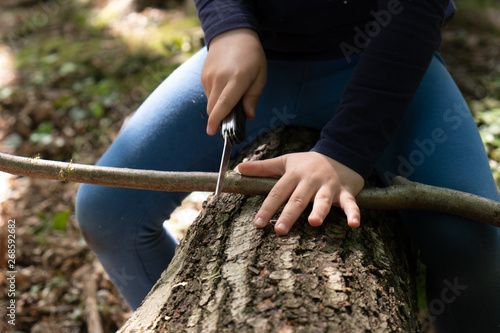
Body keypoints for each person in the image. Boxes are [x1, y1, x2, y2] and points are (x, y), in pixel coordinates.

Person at [75, 0, 500, 331]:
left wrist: (345, 151)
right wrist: (227, 25)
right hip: (256, 63)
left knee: (473, 243)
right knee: (108, 211)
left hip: (384, 63)